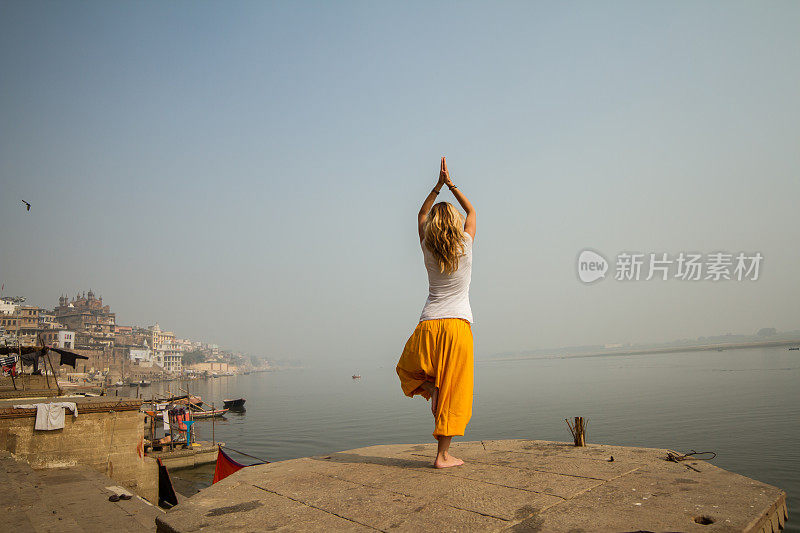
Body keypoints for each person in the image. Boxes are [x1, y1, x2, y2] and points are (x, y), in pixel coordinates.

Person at [396, 156, 476, 469]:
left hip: (428, 324)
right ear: (455, 225)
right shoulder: (466, 245)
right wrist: (452, 184)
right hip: (457, 326)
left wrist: (436, 186)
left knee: (406, 369)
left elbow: (421, 213)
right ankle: (443, 455)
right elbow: (471, 211)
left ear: (432, 227)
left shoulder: (428, 246)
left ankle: (431, 389)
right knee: (454, 392)